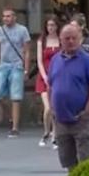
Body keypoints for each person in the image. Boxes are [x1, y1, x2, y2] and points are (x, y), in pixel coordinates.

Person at [48, 23, 89, 170]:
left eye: (74, 38)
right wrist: (52, 109)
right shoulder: (55, 60)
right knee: (68, 162)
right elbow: (50, 86)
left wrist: (88, 110)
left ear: (80, 39)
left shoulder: (88, 61)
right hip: (61, 121)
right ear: (61, 40)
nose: (71, 41)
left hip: (82, 120)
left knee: (88, 162)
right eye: (67, 38)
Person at [0, 8, 31, 138]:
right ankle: (12, 117)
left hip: (17, 65)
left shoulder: (22, 30)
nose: (6, 18)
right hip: (3, 65)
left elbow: (27, 51)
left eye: (8, 16)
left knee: (15, 96)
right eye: (4, 16)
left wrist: (26, 69)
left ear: (14, 17)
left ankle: (15, 128)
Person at [34, 16, 62, 147]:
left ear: (57, 26)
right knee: (48, 108)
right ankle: (46, 131)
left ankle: (55, 136)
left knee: (56, 108)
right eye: (48, 25)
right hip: (44, 77)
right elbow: (39, 60)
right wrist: (44, 76)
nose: (50, 28)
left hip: (58, 76)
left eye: (53, 25)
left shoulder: (61, 40)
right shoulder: (42, 40)